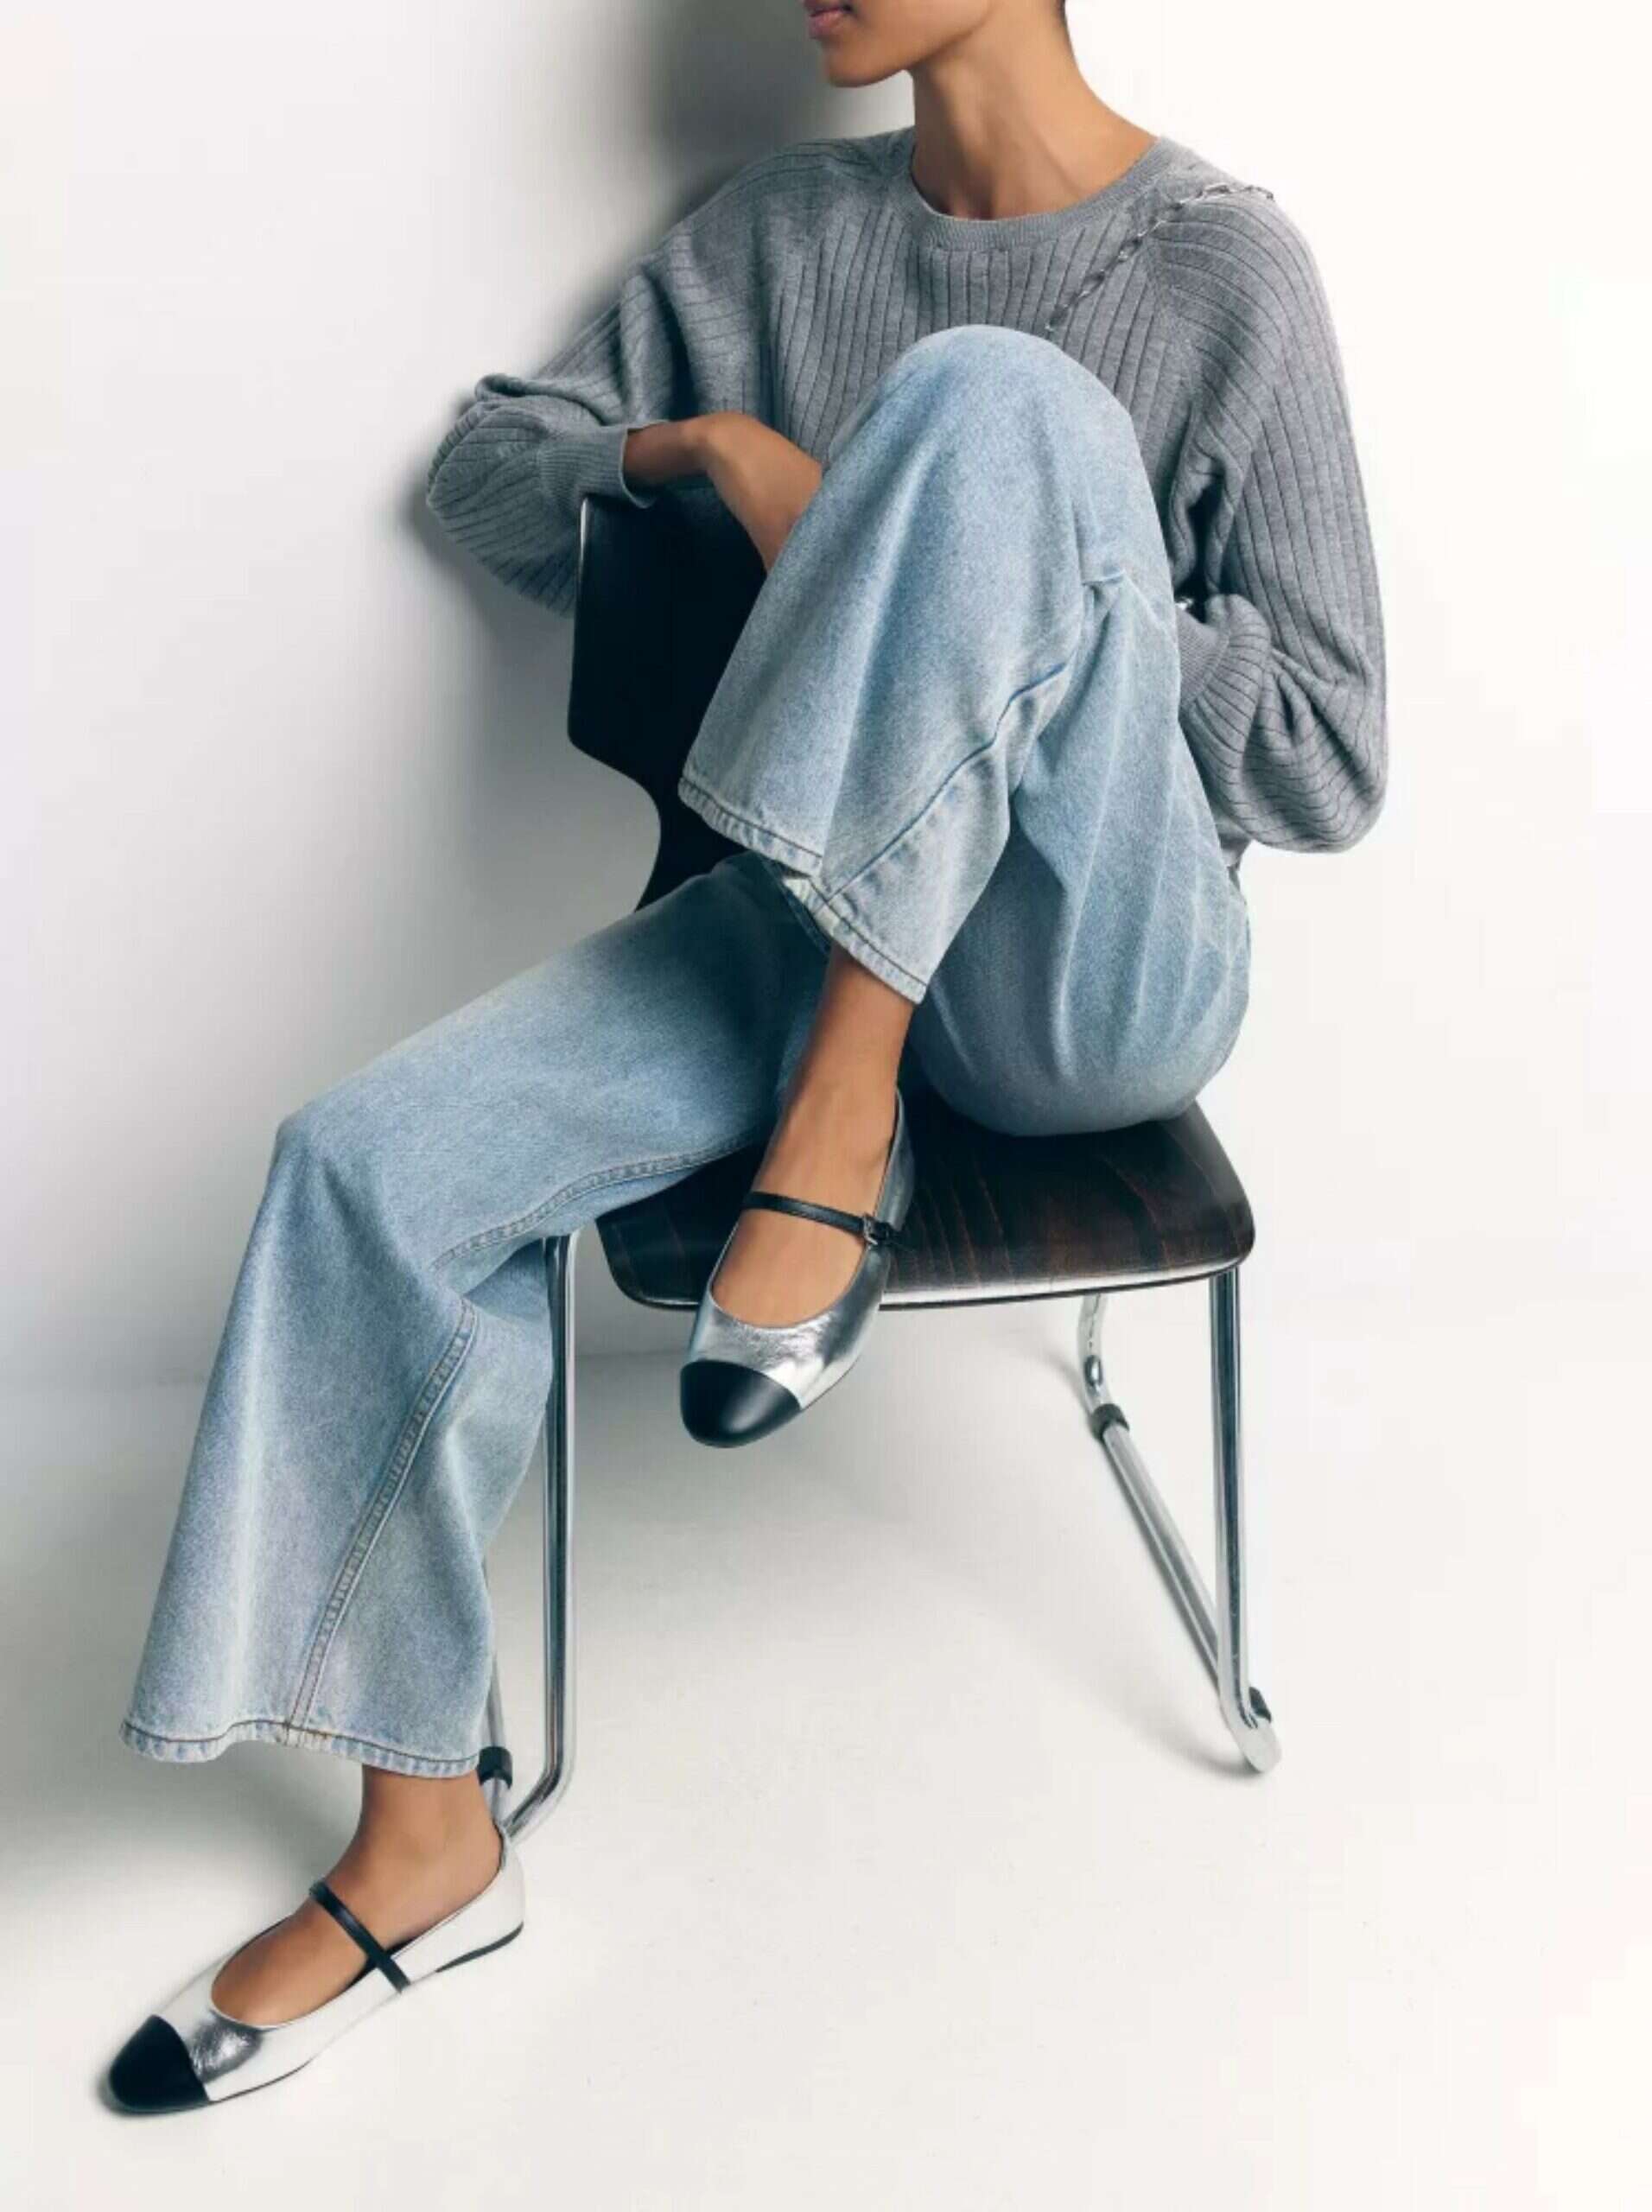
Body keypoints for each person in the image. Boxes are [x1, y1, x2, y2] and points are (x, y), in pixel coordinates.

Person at [107, 0, 1386, 2112]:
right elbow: (487, 470)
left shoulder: (1221, 267)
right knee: (364, 1159)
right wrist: (698, 450)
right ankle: (426, 1834)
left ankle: (843, 1109)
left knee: (995, 408)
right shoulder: (781, 235)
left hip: (1088, 979)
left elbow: (1329, 755)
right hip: (796, 911)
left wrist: (1027, 594)